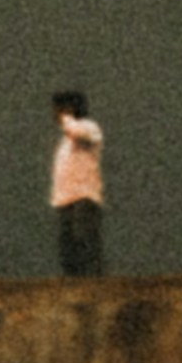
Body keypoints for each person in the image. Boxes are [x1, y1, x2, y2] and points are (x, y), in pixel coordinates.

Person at [49, 86, 105, 275]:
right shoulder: (65, 142)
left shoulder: (89, 128)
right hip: (66, 199)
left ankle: (94, 281)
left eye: (59, 108)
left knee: (85, 241)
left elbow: (80, 133)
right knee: (68, 245)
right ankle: (73, 283)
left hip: (84, 197)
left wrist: (67, 118)